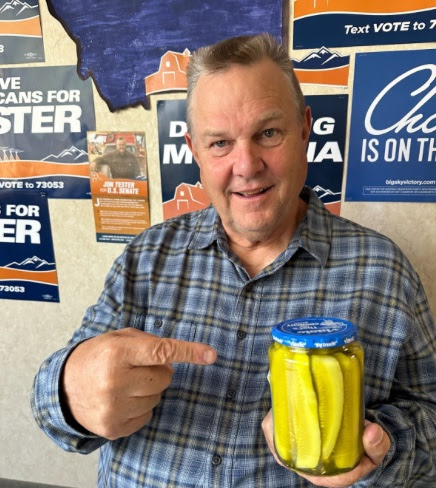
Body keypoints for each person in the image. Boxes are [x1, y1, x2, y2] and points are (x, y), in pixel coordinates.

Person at [31, 34, 436, 487]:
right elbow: (51, 408)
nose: (246, 165)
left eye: (268, 133)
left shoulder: (384, 270)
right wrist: (71, 393)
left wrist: (383, 446)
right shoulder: (146, 258)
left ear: (305, 128)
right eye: (220, 142)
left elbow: (430, 419)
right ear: (194, 150)